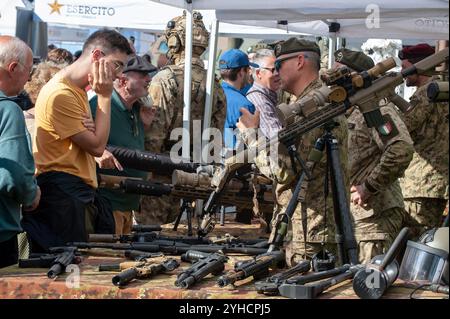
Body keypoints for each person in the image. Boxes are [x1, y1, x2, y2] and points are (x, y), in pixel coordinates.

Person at [238, 38, 349, 266]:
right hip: (308, 225)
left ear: (300, 61)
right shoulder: (313, 101)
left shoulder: (312, 108)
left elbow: (283, 171)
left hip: (310, 229)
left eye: (279, 65)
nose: (276, 73)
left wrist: (252, 135)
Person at [22, 29, 133, 252]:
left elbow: (94, 140)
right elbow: (96, 146)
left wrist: (94, 129)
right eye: (117, 65)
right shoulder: (61, 93)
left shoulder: (75, 90)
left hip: (74, 195)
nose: (120, 74)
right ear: (97, 56)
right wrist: (104, 96)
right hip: (63, 199)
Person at [138, 12, 226, 225]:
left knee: (151, 237)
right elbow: (216, 136)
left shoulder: (164, 80)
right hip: (196, 172)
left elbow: (153, 137)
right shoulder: (215, 85)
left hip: (161, 171)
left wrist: (143, 177)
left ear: (174, 41)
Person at [333, 48, 414, 263]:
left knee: (370, 282)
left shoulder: (375, 108)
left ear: (357, 77)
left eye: (338, 73)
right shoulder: (344, 110)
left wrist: (368, 187)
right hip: (354, 217)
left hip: (374, 218)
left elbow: (401, 149)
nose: (330, 79)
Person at [89, 55, 157, 235]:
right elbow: (79, 140)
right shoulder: (100, 105)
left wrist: (144, 125)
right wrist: (99, 152)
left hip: (129, 204)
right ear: (123, 79)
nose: (148, 79)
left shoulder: (137, 109)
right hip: (108, 204)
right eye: (142, 75)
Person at [398, 43, 449, 237]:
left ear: (417, 67)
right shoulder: (441, 88)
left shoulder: (424, 93)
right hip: (435, 182)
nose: (402, 74)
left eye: (405, 68)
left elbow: (404, 127)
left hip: (420, 184)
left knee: (415, 241)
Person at [0, 36, 40, 267]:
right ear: (13, 68)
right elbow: (13, 177)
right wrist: (31, 194)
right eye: (28, 72)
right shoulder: (7, 110)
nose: (29, 80)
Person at [220, 48, 257, 151]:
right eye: (248, 69)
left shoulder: (211, 95)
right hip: (232, 161)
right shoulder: (244, 105)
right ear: (241, 72)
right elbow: (251, 146)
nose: (249, 73)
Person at [246, 48, 282, 139]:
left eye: (278, 68)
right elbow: (278, 138)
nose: (277, 73)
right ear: (258, 73)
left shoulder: (265, 95)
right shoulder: (260, 101)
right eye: (273, 70)